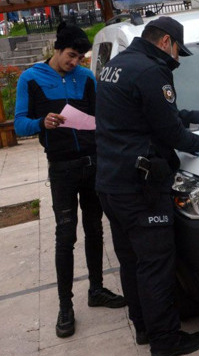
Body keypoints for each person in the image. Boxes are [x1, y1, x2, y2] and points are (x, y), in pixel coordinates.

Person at [95, 16, 199, 356]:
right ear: (166, 42)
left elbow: (144, 114)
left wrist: (196, 115)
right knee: (156, 264)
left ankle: (144, 327)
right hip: (141, 188)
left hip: (111, 182)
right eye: (178, 52)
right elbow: (170, 133)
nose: (177, 60)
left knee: (132, 261)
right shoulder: (152, 70)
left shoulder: (117, 64)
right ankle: (166, 341)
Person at [13, 23, 126, 339]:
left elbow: (101, 118)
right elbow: (19, 125)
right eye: (71, 56)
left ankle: (97, 289)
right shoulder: (30, 78)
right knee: (65, 235)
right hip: (61, 168)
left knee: (95, 228)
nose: (75, 62)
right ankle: (65, 306)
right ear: (57, 49)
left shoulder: (86, 78)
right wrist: (42, 122)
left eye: (79, 58)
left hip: (92, 163)